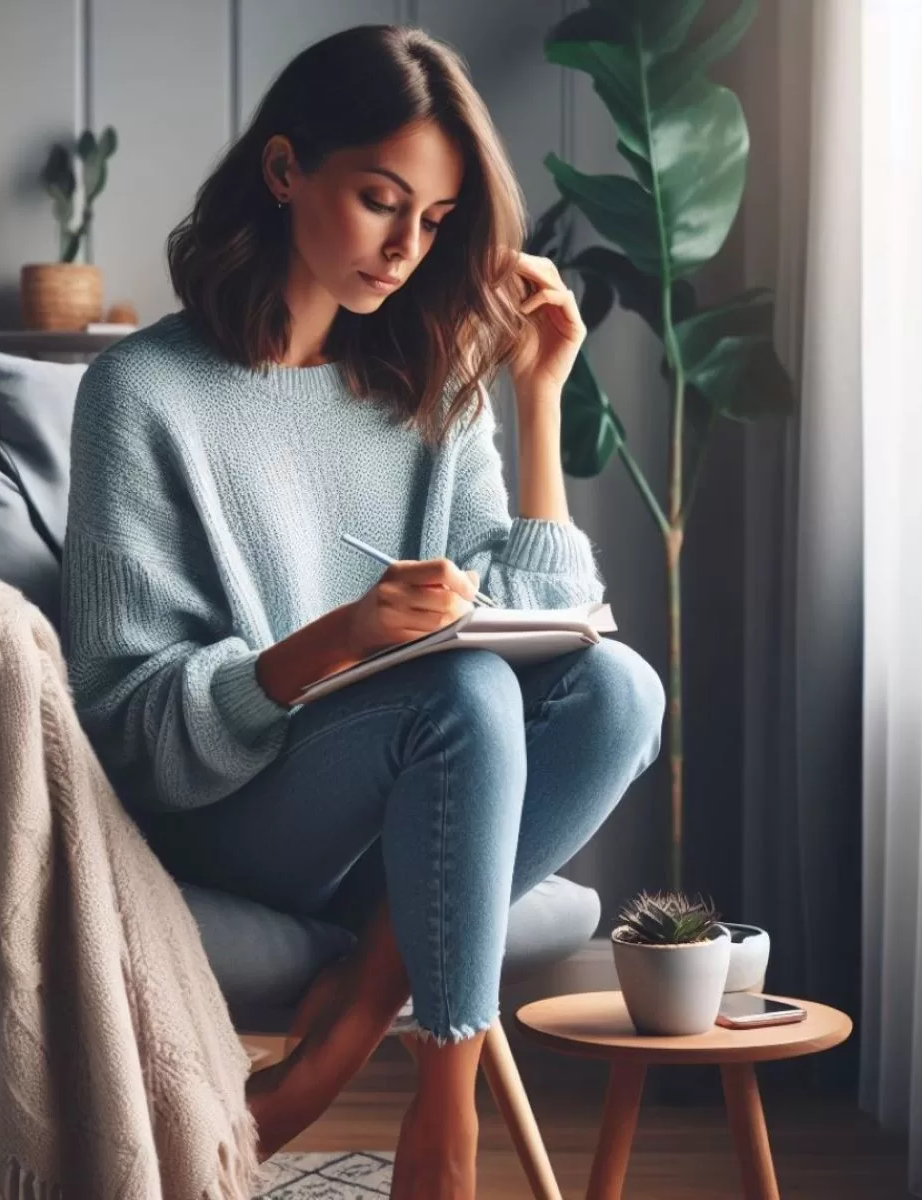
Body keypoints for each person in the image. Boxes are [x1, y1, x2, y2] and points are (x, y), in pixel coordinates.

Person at [61, 23, 665, 1200]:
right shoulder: (140, 396)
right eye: (382, 201)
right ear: (286, 171)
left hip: (412, 810)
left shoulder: (430, 379)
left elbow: (553, 622)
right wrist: (339, 640)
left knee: (621, 690)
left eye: (434, 221)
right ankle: (445, 1111)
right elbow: (128, 729)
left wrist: (538, 398)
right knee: (455, 685)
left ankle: (344, 1030)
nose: (405, 248)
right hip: (226, 807)